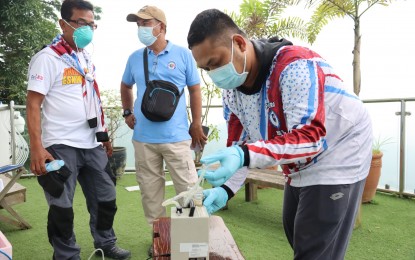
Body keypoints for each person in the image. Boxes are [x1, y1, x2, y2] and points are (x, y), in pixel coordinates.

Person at [187, 9, 373, 260]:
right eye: (206, 68)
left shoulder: (294, 66)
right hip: (297, 161)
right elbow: (239, 146)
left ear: (239, 44)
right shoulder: (231, 91)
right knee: (294, 230)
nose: (214, 74)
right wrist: (226, 190)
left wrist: (243, 154)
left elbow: (311, 136)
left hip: (339, 150)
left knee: (314, 244)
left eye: (216, 62)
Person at [26, 0, 131, 259]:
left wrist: (104, 136)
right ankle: (67, 255)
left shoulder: (84, 58)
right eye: (81, 23)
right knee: (61, 207)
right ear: (63, 24)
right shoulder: (47, 58)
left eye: (91, 24)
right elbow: (32, 104)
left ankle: (106, 243)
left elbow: (91, 99)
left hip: (92, 144)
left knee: (106, 198)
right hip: (60, 145)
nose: (88, 29)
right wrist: (37, 147)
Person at [120, 5, 206, 256]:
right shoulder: (135, 57)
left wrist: (196, 123)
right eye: (138, 24)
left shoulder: (182, 54)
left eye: (146, 24)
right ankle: (162, 242)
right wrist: (127, 112)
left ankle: (190, 246)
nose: (141, 29)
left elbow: (195, 89)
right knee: (150, 195)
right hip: (144, 139)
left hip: (177, 137)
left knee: (188, 190)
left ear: (162, 27)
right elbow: (125, 86)